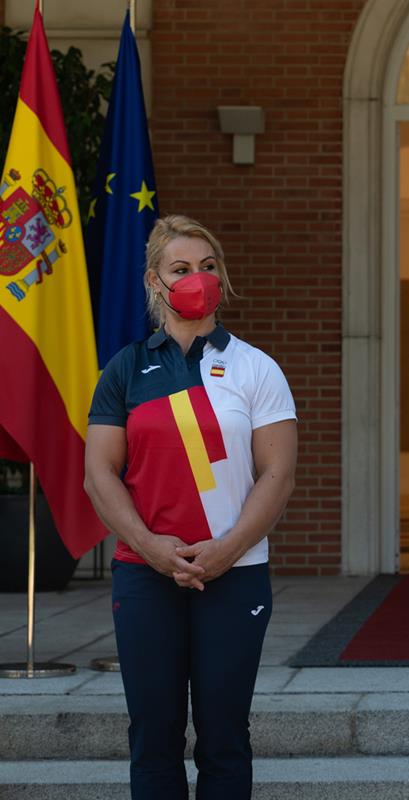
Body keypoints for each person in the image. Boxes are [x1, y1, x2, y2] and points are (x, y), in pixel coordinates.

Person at [84, 215, 298, 799]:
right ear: (156, 281)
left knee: (224, 737)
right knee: (153, 736)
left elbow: (277, 474)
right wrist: (152, 548)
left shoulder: (258, 368)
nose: (197, 279)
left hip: (235, 573)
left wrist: (228, 549)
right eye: (181, 269)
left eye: (208, 267)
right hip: (145, 572)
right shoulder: (125, 369)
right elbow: (100, 473)